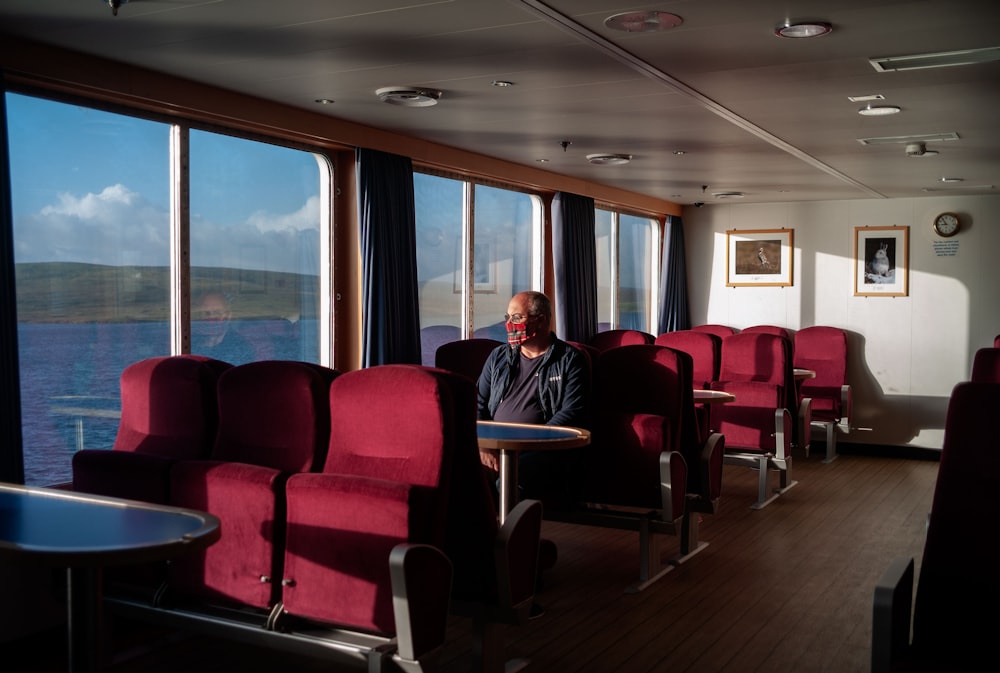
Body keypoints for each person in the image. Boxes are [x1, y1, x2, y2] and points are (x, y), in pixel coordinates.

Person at [477, 290, 590, 506]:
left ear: (541, 321)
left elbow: (571, 412)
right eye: (507, 318)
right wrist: (482, 446)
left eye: (516, 318)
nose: (509, 324)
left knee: (509, 483)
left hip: (544, 451)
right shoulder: (498, 357)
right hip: (493, 446)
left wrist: (523, 446)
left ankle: (512, 538)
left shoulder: (570, 360)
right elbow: (478, 404)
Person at [190, 291, 256, 365]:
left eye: (217, 313)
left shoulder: (241, 348)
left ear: (228, 316)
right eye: (206, 313)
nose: (211, 317)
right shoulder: (190, 343)